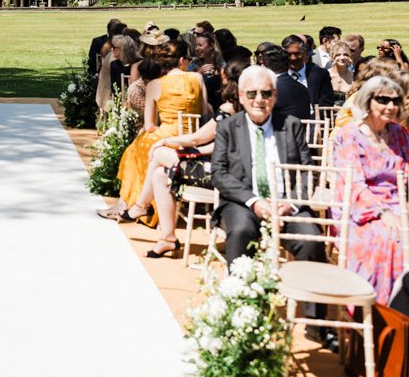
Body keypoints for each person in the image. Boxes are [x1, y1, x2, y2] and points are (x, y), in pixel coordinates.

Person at [210, 65, 335, 350]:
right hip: (244, 202)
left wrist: (288, 205)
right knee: (241, 230)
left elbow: (307, 171)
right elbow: (219, 172)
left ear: (275, 95)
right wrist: (255, 202)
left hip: (287, 204)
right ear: (241, 96)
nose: (259, 100)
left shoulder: (290, 125)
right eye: (252, 93)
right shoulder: (229, 127)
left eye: (265, 93)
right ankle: (241, 311)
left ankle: (317, 322)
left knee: (311, 237)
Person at [132, 59, 247, 257]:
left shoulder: (230, 108)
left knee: (159, 154)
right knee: (160, 174)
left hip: (223, 173)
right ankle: (167, 237)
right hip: (220, 164)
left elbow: (199, 137)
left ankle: (141, 206)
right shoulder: (241, 107)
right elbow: (215, 143)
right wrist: (194, 151)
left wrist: (167, 141)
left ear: (226, 78)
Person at [98, 40, 210, 224]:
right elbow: (204, 113)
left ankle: (128, 204)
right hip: (193, 136)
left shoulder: (154, 85)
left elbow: (150, 124)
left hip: (167, 136)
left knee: (134, 152)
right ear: (182, 60)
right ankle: (137, 205)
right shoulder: (196, 78)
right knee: (137, 151)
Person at [331, 76, 409, 306]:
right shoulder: (348, 136)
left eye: (395, 101)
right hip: (360, 209)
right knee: (388, 238)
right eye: (383, 99)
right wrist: (383, 213)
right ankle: (380, 308)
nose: (390, 106)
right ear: (367, 101)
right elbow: (353, 184)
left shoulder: (399, 134)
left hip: (399, 203)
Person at [283, 34, 334, 110]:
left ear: (304, 53)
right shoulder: (277, 75)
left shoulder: (320, 74)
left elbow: (326, 104)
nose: (293, 58)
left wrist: (311, 120)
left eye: (297, 54)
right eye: (289, 54)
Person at [262, 45, 312, 120]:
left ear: (263, 67)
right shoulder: (302, 88)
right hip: (301, 130)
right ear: (288, 65)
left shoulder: (271, 90)